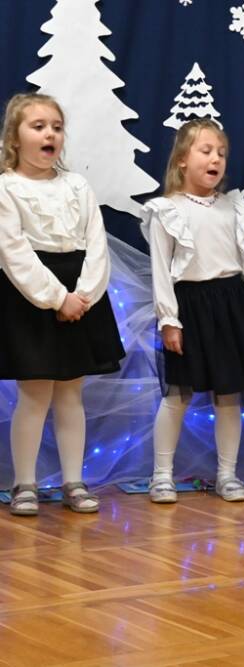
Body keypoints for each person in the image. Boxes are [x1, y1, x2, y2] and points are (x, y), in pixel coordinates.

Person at [0, 93, 125, 516]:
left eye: (56, 127)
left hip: (80, 294)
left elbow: (96, 243)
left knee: (71, 393)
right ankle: (25, 483)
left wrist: (83, 295)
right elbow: (14, 252)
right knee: (35, 394)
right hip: (31, 296)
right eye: (38, 126)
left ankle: (74, 480)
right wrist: (56, 298)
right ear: (14, 138)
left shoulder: (77, 185)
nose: (49, 133)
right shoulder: (6, 187)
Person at [140, 119, 244, 504]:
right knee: (177, 396)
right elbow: (161, 271)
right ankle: (161, 476)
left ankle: (227, 475)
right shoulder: (166, 210)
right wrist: (169, 319)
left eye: (221, 153)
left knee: (229, 395)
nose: (215, 159)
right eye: (206, 150)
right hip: (190, 307)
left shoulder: (234, 207)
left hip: (231, 304)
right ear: (182, 159)